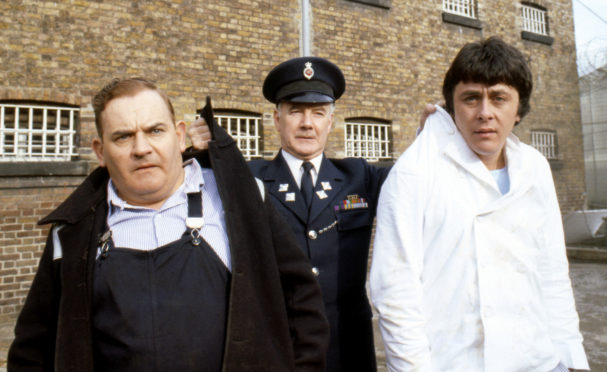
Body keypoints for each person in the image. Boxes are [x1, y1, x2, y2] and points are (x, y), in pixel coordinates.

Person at [8, 78, 329, 371]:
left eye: (154, 131)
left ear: (178, 135)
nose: (141, 148)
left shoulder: (240, 200)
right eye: (123, 136)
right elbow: (34, 346)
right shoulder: (73, 230)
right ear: (100, 151)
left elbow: (301, 304)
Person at [370, 37, 589, 372]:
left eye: (499, 98)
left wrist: (572, 358)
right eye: (471, 98)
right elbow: (395, 291)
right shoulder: (414, 173)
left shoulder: (535, 167)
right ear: (452, 105)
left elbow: (552, 273)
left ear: (519, 110)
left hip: (539, 361)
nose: (485, 113)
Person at [189, 57, 390, 372]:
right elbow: (179, 188)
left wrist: (435, 132)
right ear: (276, 118)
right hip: (277, 350)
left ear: (331, 121)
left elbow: (418, 180)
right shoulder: (248, 178)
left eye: (318, 113)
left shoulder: (359, 176)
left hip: (348, 351)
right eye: (295, 111)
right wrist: (196, 152)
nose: (307, 123)